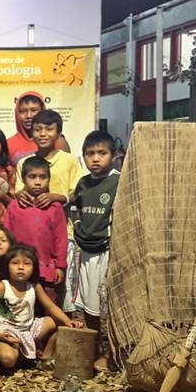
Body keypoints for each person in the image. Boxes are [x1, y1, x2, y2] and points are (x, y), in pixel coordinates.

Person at [12, 108, 82, 310]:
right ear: (31, 132)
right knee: (27, 290)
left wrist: (56, 197)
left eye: (49, 129)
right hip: (28, 240)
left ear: (59, 132)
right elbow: (18, 191)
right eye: (38, 129)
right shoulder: (24, 163)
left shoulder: (68, 161)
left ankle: (60, 331)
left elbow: (77, 193)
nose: (43, 134)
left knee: (59, 288)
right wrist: (20, 194)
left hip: (59, 235)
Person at [69, 130, 120, 369]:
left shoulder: (119, 181)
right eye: (90, 154)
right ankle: (93, 350)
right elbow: (74, 208)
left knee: (109, 305)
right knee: (90, 304)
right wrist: (78, 225)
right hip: (85, 251)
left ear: (114, 155)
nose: (96, 159)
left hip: (108, 251)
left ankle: (112, 354)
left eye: (102, 153)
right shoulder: (83, 183)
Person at [0, 244, 81, 371]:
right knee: (8, 359)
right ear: (7, 266)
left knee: (58, 322)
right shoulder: (2, 287)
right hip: (6, 330)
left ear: (34, 268)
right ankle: (16, 354)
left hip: (28, 329)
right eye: (15, 263)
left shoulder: (34, 286)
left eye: (27, 263)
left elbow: (51, 307)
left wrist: (68, 321)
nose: (21, 268)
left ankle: (46, 357)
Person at [4, 156, 67, 302]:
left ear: (49, 179)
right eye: (32, 177)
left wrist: (60, 266)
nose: (38, 182)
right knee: (21, 304)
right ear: (24, 179)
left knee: (48, 304)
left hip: (47, 267)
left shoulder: (55, 207)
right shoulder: (15, 206)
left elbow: (61, 239)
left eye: (43, 177)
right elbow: (7, 235)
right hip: (20, 266)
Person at [5, 91, 70, 165]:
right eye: (22, 111)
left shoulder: (57, 141)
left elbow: (68, 170)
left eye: (34, 110)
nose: (28, 116)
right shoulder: (9, 144)